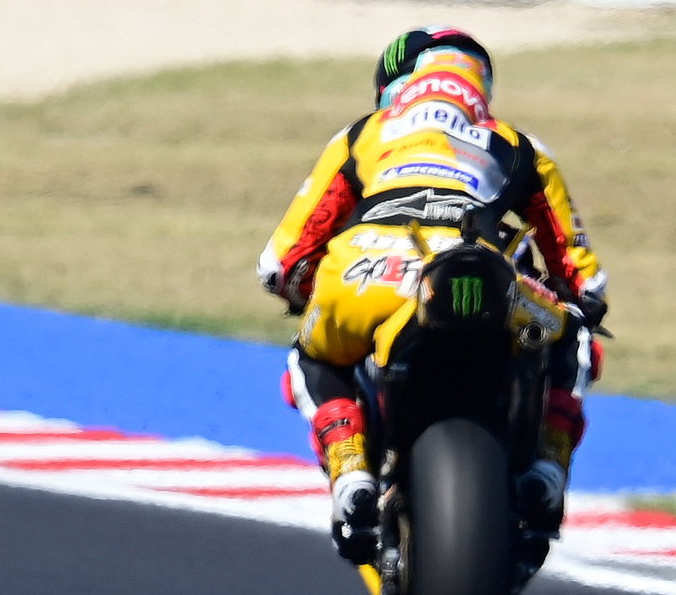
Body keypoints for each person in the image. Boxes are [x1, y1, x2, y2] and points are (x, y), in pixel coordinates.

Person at [257, 25, 608, 561]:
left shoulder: (364, 133)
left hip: (366, 274)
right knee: (572, 339)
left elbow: (279, 262)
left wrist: (299, 284)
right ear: (481, 90)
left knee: (311, 354)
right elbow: (581, 272)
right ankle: (548, 467)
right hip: (487, 281)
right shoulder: (518, 145)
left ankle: (349, 467)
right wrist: (578, 301)